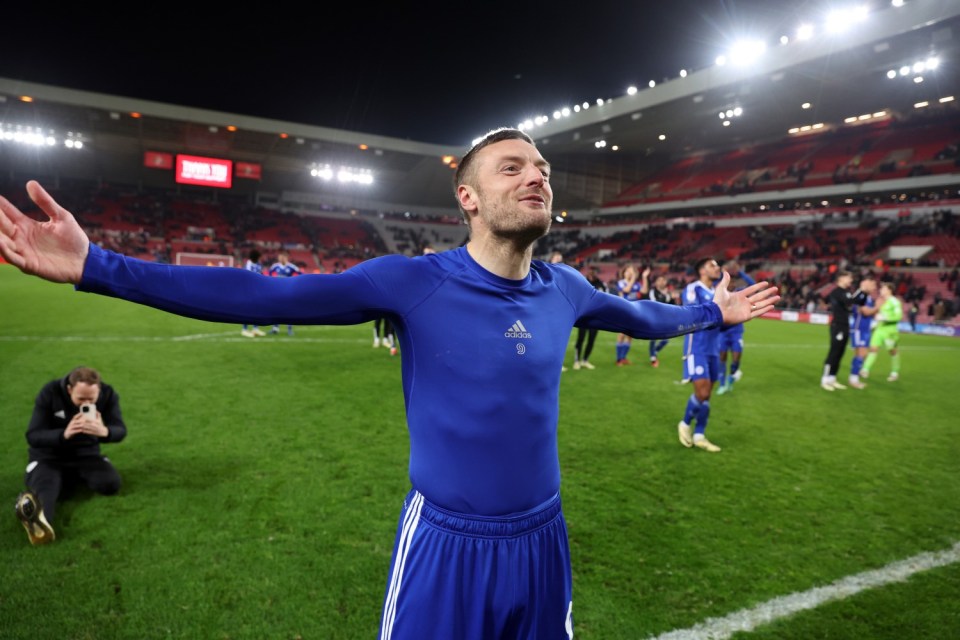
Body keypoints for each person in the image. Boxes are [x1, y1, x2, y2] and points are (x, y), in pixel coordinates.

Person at [0, 128, 778, 639]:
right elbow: (262, 295)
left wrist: (712, 314)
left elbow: (641, 316)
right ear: (467, 197)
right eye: (513, 167)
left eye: (542, 168)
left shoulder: (567, 287)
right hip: (445, 542)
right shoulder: (412, 282)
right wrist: (96, 265)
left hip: (544, 538)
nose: (536, 176)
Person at [14, 366, 127, 545]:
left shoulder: (108, 394)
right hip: (49, 457)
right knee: (47, 490)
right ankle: (39, 524)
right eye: (80, 398)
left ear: (99, 390)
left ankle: (62, 481)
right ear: (69, 389)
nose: (86, 404)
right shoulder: (50, 392)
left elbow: (120, 430)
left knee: (110, 484)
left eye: (91, 399)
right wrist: (63, 435)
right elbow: (33, 435)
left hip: (86, 455)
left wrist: (105, 432)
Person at [677, 257, 725, 452]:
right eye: (712, 265)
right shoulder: (693, 289)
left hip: (714, 348)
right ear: (702, 270)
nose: (717, 268)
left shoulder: (718, 292)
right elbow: (691, 313)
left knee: (707, 396)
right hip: (696, 347)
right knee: (702, 392)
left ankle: (700, 435)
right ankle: (685, 423)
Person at [820, 270, 868, 391]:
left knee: (840, 353)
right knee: (834, 353)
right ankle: (825, 380)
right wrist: (861, 290)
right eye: (849, 277)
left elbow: (860, 302)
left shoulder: (845, 292)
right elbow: (850, 302)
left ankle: (832, 379)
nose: (851, 280)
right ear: (841, 278)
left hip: (845, 326)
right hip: (838, 326)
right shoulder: (837, 292)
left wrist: (865, 293)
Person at [716, 262, 756, 394]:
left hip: (736, 333)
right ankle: (722, 384)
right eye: (729, 282)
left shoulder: (739, 293)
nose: (731, 284)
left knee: (736, 359)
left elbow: (753, 285)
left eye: (733, 282)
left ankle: (732, 376)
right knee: (722, 357)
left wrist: (740, 272)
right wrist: (723, 272)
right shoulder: (719, 294)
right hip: (722, 332)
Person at [860, 281, 903, 382]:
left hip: (890, 331)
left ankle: (894, 372)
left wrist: (885, 318)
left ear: (889, 290)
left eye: (883, 289)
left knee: (892, 351)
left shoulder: (895, 302)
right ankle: (865, 369)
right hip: (879, 329)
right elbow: (878, 315)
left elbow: (898, 316)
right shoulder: (880, 301)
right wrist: (874, 324)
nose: (880, 290)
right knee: (873, 349)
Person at [614, 263, 650, 365]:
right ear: (624, 273)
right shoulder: (621, 282)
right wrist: (633, 278)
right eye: (628, 271)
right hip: (624, 311)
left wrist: (644, 277)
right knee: (621, 334)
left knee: (630, 335)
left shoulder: (636, 283)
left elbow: (644, 290)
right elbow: (626, 290)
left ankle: (623, 358)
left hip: (634, 311)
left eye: (632, 271)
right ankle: (618, 359)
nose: (630, 273)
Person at [572, 265, 606, 370]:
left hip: (595, 316)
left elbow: (604, 299)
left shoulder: (601, 284)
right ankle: (577, 361)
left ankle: (585, 360)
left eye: (594, 271)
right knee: (581, 338)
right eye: (591, 271)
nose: (592, 272)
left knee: (591, 339)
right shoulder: (582, 282)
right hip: (583, 315)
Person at [847, 277, 878, 389]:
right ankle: (853, 379)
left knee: (862, 354)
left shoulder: (867, 297)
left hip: (865, 329)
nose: (874, 288)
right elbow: (864, 311)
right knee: (861, 354)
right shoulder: (861, 296)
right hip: (859, 329)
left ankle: (854, 374)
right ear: (864, 284)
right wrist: (878, 307)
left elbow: (870, 312)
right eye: (872, 284)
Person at [267, 249, 302, 336]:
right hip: (277, 291)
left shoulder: (292, 267)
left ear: (286, 258)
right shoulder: (275, 266)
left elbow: (301, 274)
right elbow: (269, 274)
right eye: (280, 257)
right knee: (276, 309)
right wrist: (272, 283)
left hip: (288, 291)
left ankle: (289, 329)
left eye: (283, 257)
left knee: (289, 310)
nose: (281, 258)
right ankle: (275, 328)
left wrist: (295, 283)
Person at [646, 274, 673, 368]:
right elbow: (655, 303)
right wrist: (665, 296)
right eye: (660, 280)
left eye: (663, 280)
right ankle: (653, 358)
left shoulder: (668, 293)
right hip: (654, 317)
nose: (662, 282)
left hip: (665, 319)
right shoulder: (653, 292)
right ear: (656, 282)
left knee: (666, 340)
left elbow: (671, 305)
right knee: (653, 338)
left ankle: (655, 351)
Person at [241, 248, 266, 337]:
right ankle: (244, 329)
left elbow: (261, 275)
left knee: (257, 310)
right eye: (258, 257)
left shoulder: (258, 265)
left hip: (257, 290)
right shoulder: (248, 265)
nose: (260, 259)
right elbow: (246, 278)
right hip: (248, 290)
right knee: (247, 310)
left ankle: (255, 328)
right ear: (255, 257)